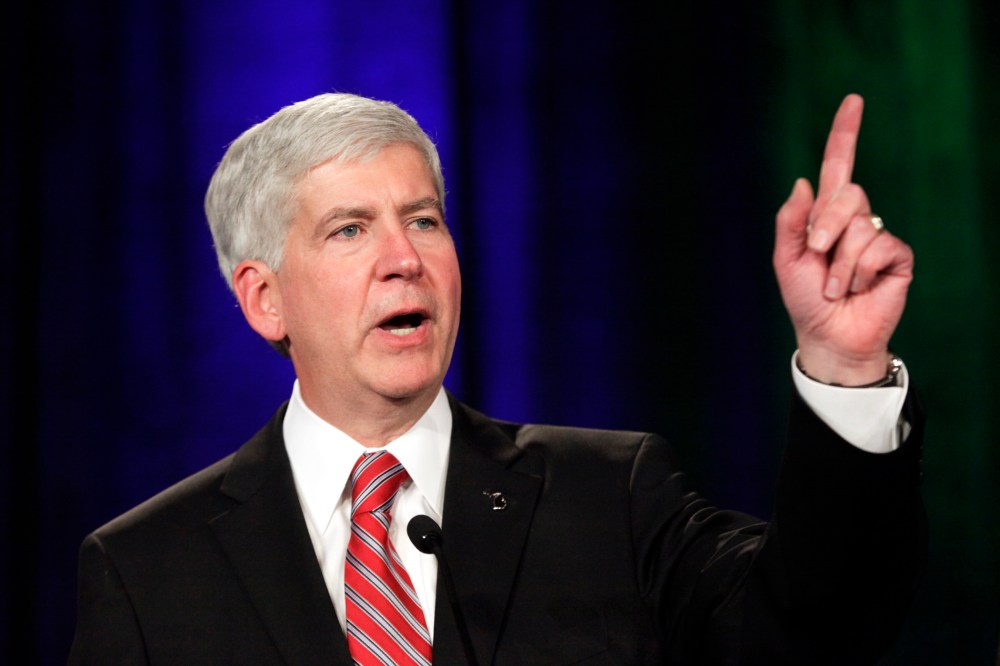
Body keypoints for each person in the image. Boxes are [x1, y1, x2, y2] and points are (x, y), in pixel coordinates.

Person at [68, 92, 925, 665]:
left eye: (424, 219)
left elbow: (820, 629)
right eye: (349, 231)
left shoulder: (609, 497)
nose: (405, 259)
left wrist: (844, 368)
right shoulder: (148, 570)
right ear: (263, 299)